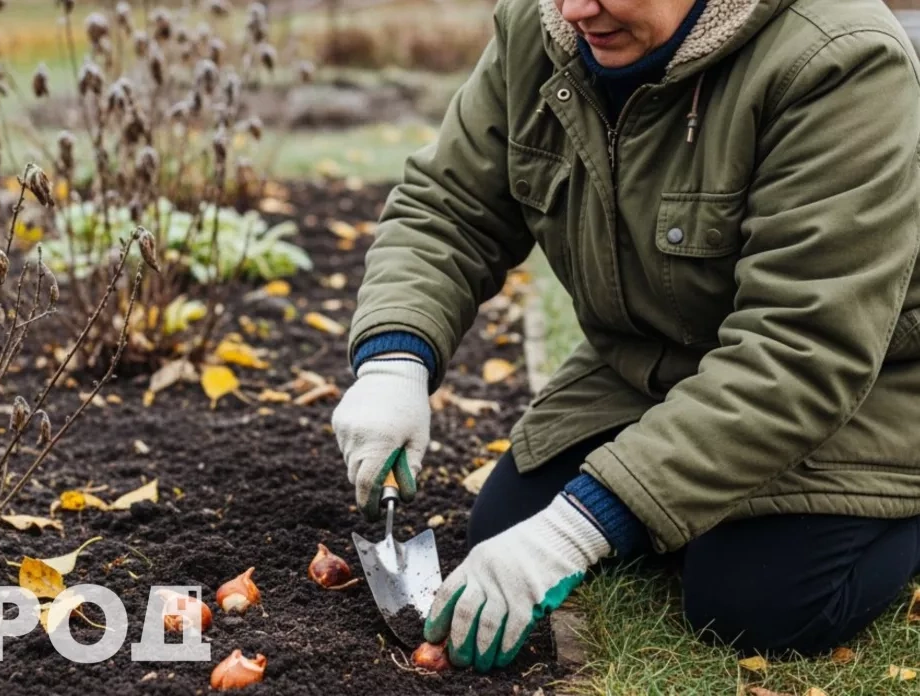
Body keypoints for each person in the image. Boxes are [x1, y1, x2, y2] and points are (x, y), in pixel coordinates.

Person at [331, 0, 920, 673]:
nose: (577, 9)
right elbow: (449, 209)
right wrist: (395, 359)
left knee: (756, 605)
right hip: (649, 366)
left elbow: (803, 345)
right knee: (500, 532)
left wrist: (574, 530)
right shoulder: (541, 27)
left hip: (863, 384)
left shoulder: (837, 57)